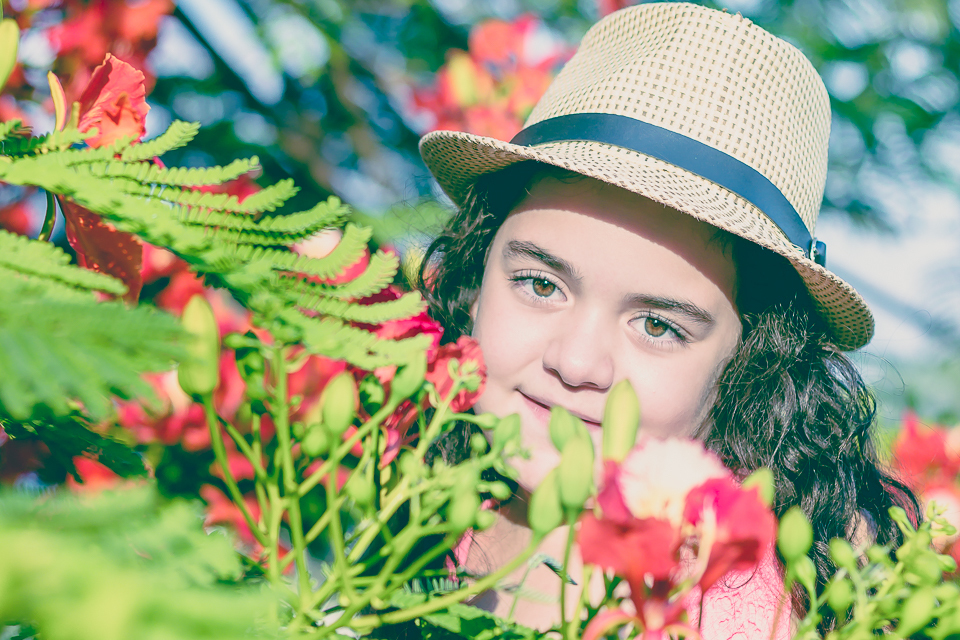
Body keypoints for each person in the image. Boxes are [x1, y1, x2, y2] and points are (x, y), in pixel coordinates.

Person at [415, 3, 919, 637]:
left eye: (657, 326)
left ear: (749, 366)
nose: (575, 363)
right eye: (541, 285)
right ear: (476, 273)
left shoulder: (753, 622)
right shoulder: (386, 493)